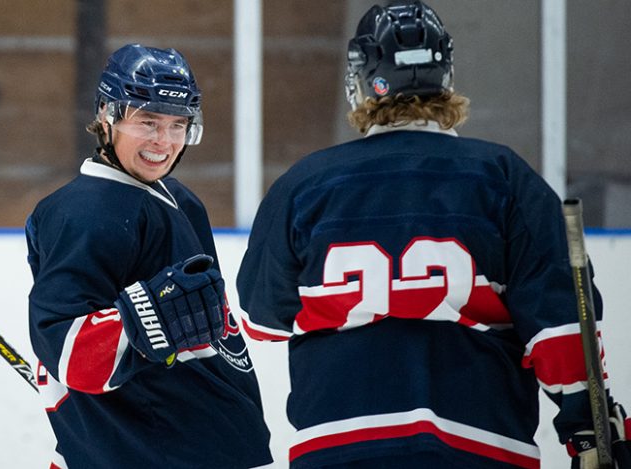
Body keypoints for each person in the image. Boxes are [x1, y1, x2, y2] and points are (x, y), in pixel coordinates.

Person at [236, 2, 630, 468]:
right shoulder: (503, 176)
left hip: (340, 442)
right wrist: (589, 428)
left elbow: (262, 317)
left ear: (362, 77)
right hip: (480, 437)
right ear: (445, 71)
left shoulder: (304, 184)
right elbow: (562, 325)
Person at [25, 43, 273, 469]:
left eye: (178, 125)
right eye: (148, 121)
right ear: (107, 115)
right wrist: (145, 321)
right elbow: (65, 350)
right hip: (151, 451)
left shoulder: (179, 198)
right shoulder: (83, 212)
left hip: (215, 444)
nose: (164, 141)